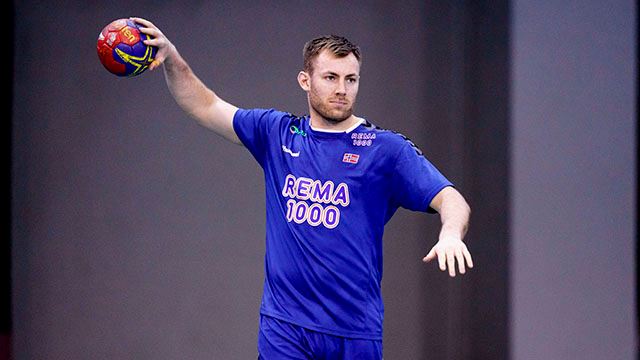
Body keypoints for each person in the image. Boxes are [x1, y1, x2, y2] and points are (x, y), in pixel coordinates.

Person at [133, 17, 473, 359]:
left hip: (354, 331)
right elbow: (205, 105)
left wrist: (451, 235)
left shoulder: (385, 149)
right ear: (305, 81)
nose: (342, 89)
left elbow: (451, 199)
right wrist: (172, 58)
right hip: (285, 326)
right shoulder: (276, 133)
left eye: (350, 79)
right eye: (330, 77)